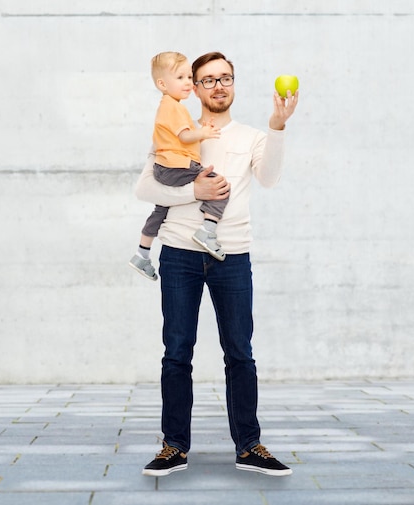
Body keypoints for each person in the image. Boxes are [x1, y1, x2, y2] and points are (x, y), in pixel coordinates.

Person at [134, 51, 299, 477]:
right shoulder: (179, 128)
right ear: (194, 85)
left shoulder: (250, 136)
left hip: (232, 256)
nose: (218, 85)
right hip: (179, 255)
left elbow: (270, 178)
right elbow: (144, 187)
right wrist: (196, 193)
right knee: (176, 353)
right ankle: (174, 447)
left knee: (240, 353)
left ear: (234, 84)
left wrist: (277, 127)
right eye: (207, 80)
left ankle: (249, 446)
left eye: (225, 77)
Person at [129, 51, 227, 282]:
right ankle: (207, 231)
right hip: (177, 165)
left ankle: (142, 253)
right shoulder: (173, 107)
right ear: (162, 84)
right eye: (181, 77)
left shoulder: (168, 106)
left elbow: (180, 137)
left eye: (189, 77)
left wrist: (201, 132)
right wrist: (203, 132)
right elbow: (184, 137)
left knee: (161, 208)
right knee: (219, 187)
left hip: (164, 167)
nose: (188, 82)